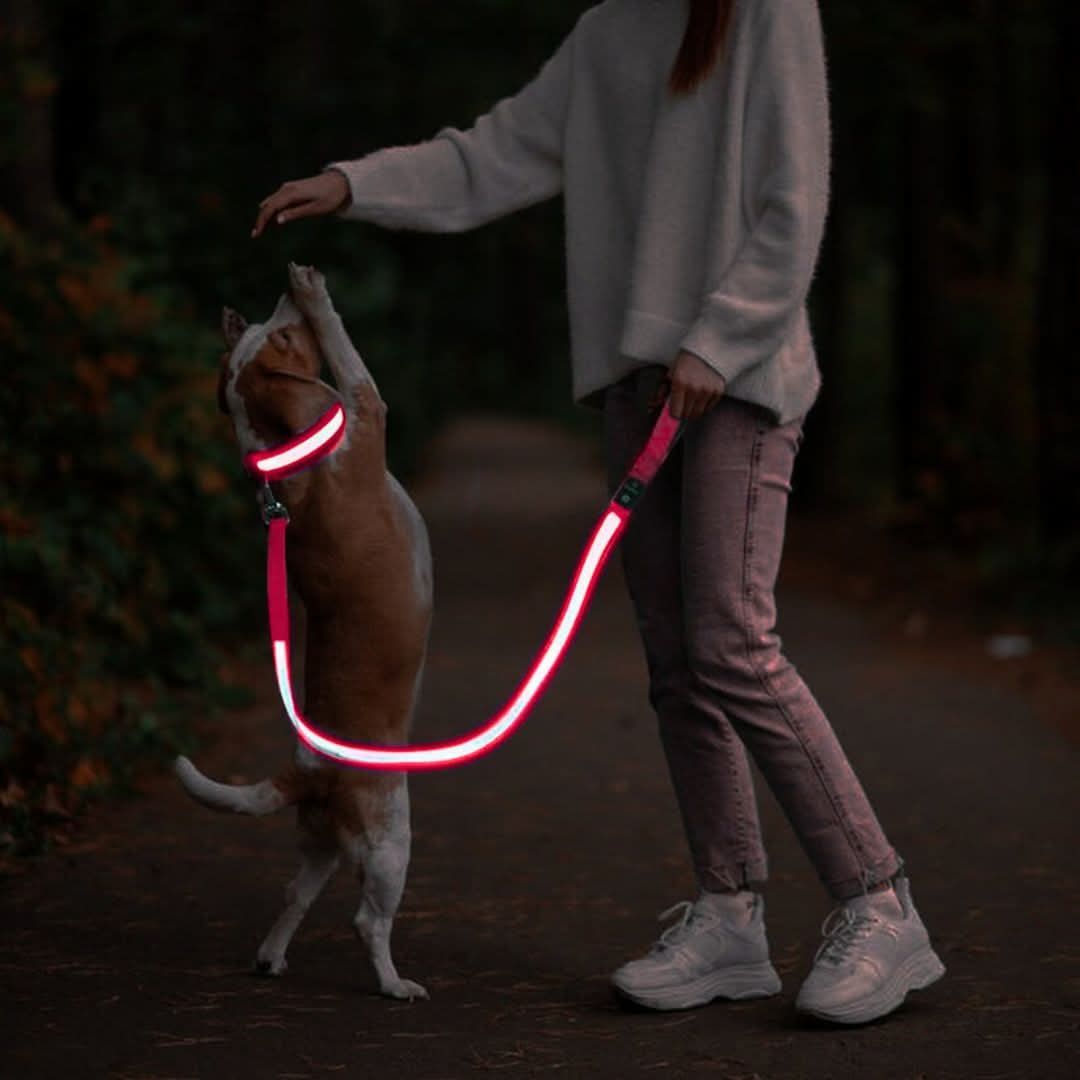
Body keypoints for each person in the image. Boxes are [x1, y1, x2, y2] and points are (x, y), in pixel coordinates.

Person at [251, 0, 946, 1025]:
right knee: (675, 665)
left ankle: (880, 902)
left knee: (731, 643)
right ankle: (729, 915)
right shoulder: (613, 24)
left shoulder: (764, 12)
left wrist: (721, 336)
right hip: (638, 386)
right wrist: (356, 183)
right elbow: (495, 154)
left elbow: (794, 200)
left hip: (737, 380)